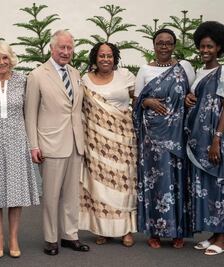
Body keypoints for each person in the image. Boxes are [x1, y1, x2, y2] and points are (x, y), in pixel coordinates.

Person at [25, 30, 90, 255]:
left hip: (75, 143)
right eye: (61, 47)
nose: (65, 52)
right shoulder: (37, 75)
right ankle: (51, 239)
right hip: (50, 144)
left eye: (69, 48)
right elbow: (30, 113)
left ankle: (70, 235)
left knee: (72, 195)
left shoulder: (75, 73)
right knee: (51, 196)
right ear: (52, 49)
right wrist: (33, 145)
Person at [133, 28, 195, 249]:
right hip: (152, 138)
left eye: (169, 43)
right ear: (154, 45)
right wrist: (147, 102)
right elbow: (137, 100)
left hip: (177, 135)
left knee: (177, 180)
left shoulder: (185, 67)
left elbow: (193, 93)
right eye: (160, 43)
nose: (164, 47)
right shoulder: (144, 69)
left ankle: (178, 231)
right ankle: (154, 232)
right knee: (155, 183)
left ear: (174, 45)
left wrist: (188, 98)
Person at [0, 40, 40, 259]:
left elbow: (32, 112)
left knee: (15, 193)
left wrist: (34, 144)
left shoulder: (23, 80)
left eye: (5, 57)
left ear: (11, 59)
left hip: (16, 142)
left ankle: (13, 238)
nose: (1, 62)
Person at [185, 21, 224, 256]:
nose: (205, 50)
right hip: (201, 140)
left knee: (220, 187)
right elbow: (198, 99)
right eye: (202, 46)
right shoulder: (200, 72)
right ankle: (214, 234)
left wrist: (217, 139)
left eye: (209, 46)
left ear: (219, 47)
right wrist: (190, 98)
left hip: (217, 140)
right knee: (207, 187)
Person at [79, 42, 137, 247]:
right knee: (99, 186)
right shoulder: (85, 79)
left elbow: (138, 101)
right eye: (102, 55)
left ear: (115, 58)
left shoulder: (126, 76)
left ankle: (126, 230)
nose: (105, 59)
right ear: (95, 58)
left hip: (122, 141)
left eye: (109, 56)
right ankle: (102, 229)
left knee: (123, 184)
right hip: (95, 142)